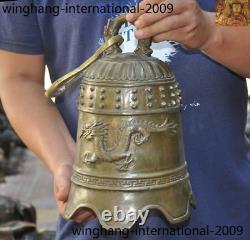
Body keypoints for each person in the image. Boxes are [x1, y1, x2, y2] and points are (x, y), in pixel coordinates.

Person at [0, 0, 250, 239]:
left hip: (221, 211)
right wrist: (65, 163)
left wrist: (209, 31)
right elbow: (20, 78)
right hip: (91, 225)